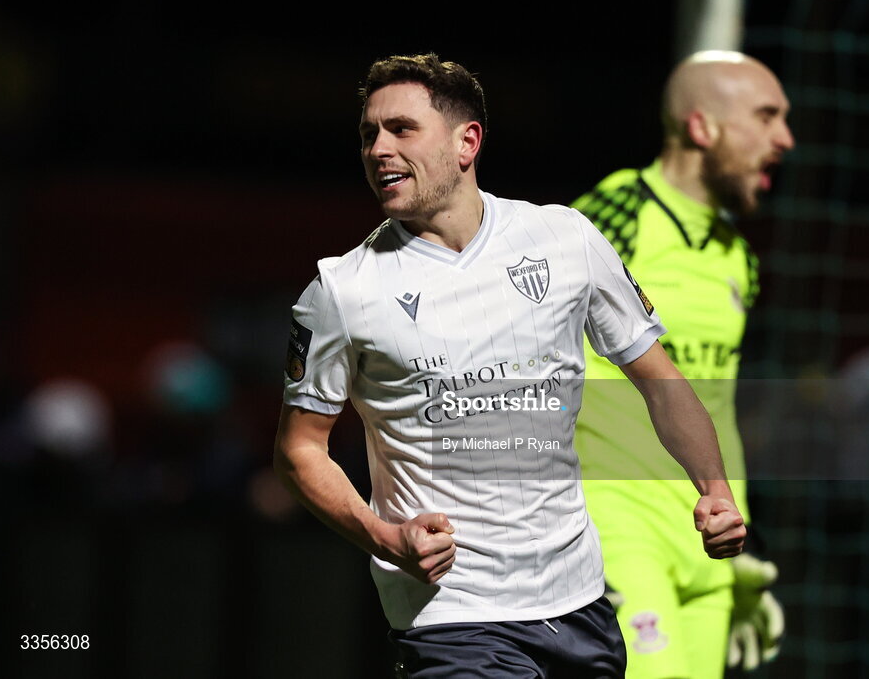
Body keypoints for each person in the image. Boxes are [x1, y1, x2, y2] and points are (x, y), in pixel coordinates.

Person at [273, 53, 746, 679]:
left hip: (579, 601)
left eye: (401, 129)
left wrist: (714, 490)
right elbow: (299, 451)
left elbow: (660, 380)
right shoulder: (340, 291)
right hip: (452, 616)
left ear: (467, 141)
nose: (378, 149)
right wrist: (385, 538)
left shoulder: (566, 239)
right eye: (368, 134)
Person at [572, 51, 795, 678]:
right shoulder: (612, 215)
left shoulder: (739, 260)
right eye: (767, 116)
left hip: (712, 535)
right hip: (616, 522)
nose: (786, 138)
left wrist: (741, 545)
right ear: (703, 127)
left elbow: (715, 403)